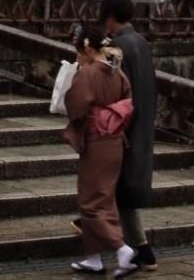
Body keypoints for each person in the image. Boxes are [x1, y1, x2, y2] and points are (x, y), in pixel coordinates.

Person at [64, 23, 137, 278]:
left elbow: (77, 105)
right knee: (105, 198)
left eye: (79, 48)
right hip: (115, 140)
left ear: (86, 46)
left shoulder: (88, 73)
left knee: (90, 201)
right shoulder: (117, 72)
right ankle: (93, 258)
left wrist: (76, 79)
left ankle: (121, 248)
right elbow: (127, 101)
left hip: (96, 141)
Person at [99, 0, 158, 274]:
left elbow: (112, 90)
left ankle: (133, 249)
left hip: (122, 126)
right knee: (122, 190)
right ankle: (141, 248)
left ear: (109, 16)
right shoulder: (141, 43)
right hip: (142, 121)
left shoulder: (118, 47)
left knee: (115, 187)